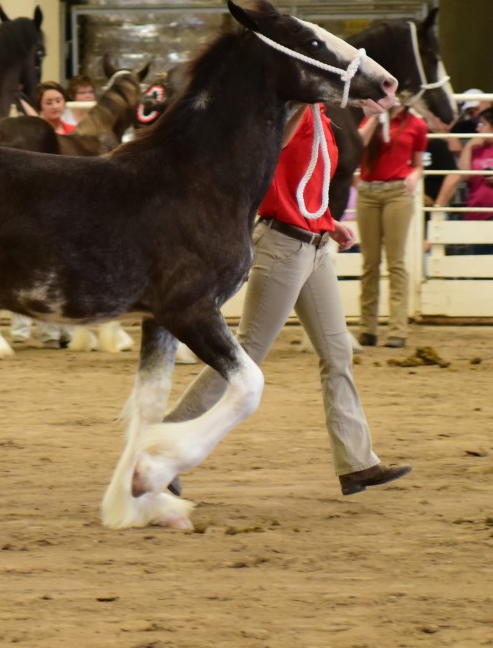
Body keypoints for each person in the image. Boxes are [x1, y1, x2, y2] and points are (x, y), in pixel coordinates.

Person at [167, 104, 412, 496]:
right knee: (244, 355)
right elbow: (276, 151)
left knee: (337, 354)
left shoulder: (321, 117)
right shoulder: (283, 112)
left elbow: (308, 183)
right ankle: (165, 442)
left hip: (314, 248)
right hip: (282, 246)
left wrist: (329, 223)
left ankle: (357, 462)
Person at [355, 104, 428, 349]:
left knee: (396, 262)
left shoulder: (416, 124)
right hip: (368, 192)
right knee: (370, 262)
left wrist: (414, 177)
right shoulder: (370, 119)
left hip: (397, 191)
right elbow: (358, 144)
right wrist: (377, 117)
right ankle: (368, 328)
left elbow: (418, 163)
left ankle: (397, 329)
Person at [434, 108, 493, 253]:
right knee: (478, 265)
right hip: (477, 213)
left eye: (482, 124)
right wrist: (469, 146)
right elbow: (463, 175)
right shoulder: (477, 148)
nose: (478, 129)